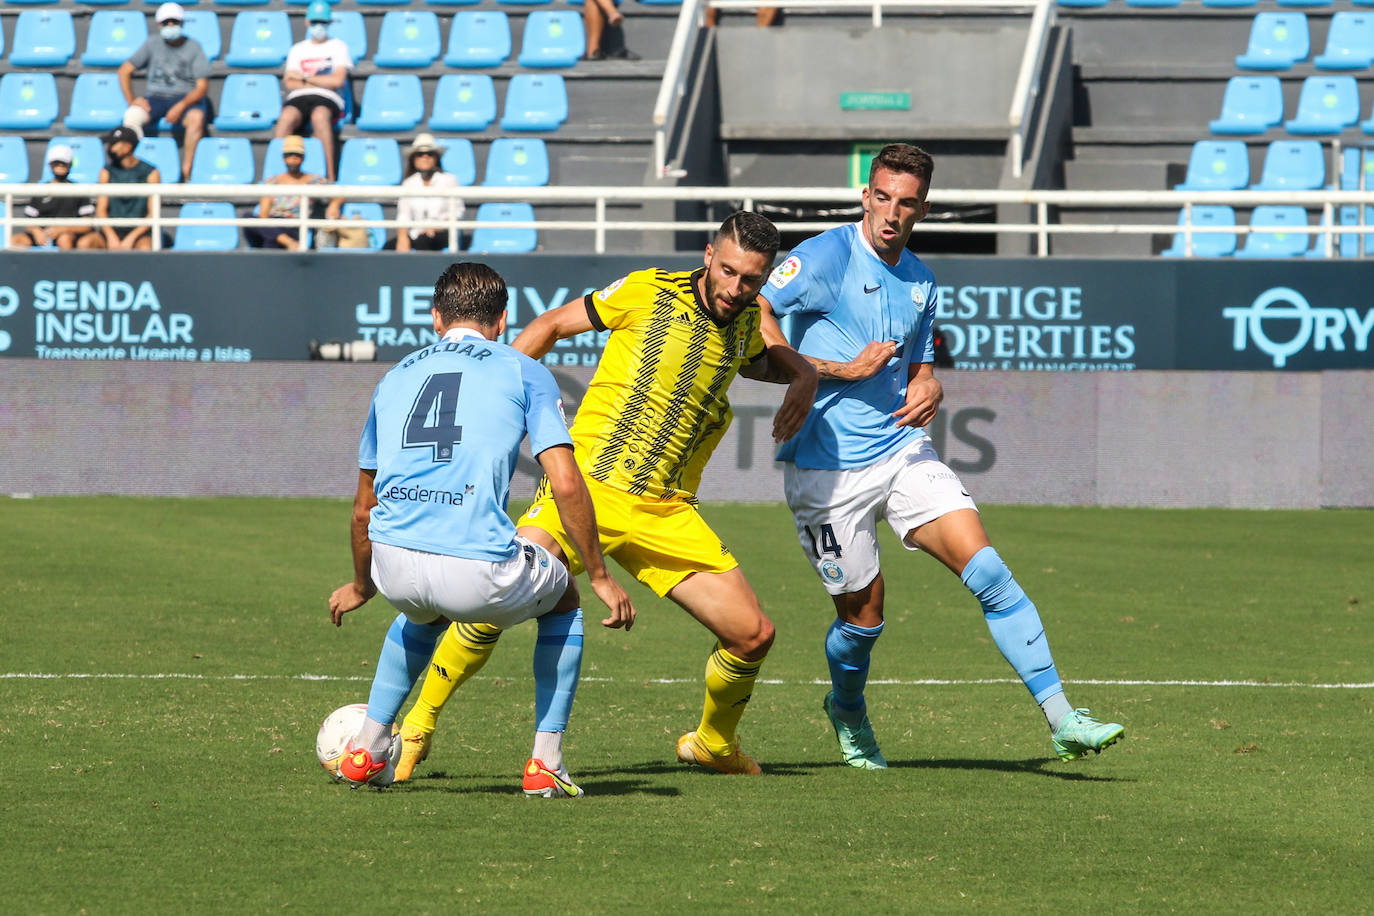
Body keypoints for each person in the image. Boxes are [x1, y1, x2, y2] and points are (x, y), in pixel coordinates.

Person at [392, 211, 818, 781]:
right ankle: (414, 731)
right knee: (492, 598)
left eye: (752, 281)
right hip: (586, 490)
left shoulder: (743, 321)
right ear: (710, 255)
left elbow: (765, 360)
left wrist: (806, 376)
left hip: (665, 508)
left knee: (752, 635)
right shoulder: (647, 291)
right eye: (730, 272)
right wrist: (494, 394)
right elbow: (549, 326)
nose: (736, 289)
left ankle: (713, 744)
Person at [757, 143, 1125, 769]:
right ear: (865, 196)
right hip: (826, 467)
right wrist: (816, 373)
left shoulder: (922, 281)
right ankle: (846, 708)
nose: (891, 213)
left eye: (906, 203)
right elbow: (756, 317)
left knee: (989, 573)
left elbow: (919, 368)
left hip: (901, 451)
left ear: (923, 208)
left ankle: (1063, 718)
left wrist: (931, 383)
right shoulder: (822, 256)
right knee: (862, 620)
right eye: (882, 198)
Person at [328, 262, 635, 794]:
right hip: (476, 572)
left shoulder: (394, 376)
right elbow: (565, 483)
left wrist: (361, 586)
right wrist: (602, 574)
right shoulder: (523, 370)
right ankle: (546, 764)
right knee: (565, 596)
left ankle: (366, 750)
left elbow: (362, 508)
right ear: (501, 319)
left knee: (420, 615)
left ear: (434, 318)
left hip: (393, 566)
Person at [117, 2, 210, 182]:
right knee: (132, 116)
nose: (170, 26)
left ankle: (186, 170)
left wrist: (181, 105)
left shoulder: (194, 47)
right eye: (166, 22)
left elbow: (202, 87)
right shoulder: (152, 43)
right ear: (159, 24)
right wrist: (132, 100)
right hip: (156, 98)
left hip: (185, 98)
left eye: (174, 22)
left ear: (181, 23)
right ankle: (129, 168)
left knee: (196, 118)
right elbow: (124, 71)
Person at [275, 0, 353, 183]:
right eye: (316, 22)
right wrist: (320, 81)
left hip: (328, 98)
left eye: (323, 22)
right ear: (307, 22)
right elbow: (289, 82)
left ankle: (328, 177)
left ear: (329, 23)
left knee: (319, 117)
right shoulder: (298, 49)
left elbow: (337, 81)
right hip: (299, 97)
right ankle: (275, 177)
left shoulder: (339, 47)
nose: (319, 26)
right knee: (286, 118)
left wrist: (305, 78)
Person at [243, 134, 342, 250]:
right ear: (283, 158)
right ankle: (287, 241)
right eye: (289, 155)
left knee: (271, 240)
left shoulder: (313, 180)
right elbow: (263, 214)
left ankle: (281, 242)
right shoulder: (272, 182)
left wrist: (334, 204)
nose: (293, 159)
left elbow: (339, 193)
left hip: (294, 226)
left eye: (297, 155)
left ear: (303, 158)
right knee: (248, 217)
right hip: (272, 223)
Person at [85, 126, 161, 251]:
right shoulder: (106, 172)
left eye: (114, 144)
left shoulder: (151, 172)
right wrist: (111, 236)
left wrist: (131, 238)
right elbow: (101, 210)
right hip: (111, 230)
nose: (110, 148)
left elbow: (152, 214)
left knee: (145, 248)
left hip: (139, 233)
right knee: (86, 243)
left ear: (128, 147)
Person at [9, 146, 98, 250]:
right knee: (16, 240)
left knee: (64, 239)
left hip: (69, 234)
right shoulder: (40, 191)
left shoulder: (79, 191)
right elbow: (29, 221)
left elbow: (87, 225)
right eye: (56, 163)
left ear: (70, 164)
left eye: (63, 163)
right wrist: (36, 231)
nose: (60, 166)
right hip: (43, 236)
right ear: (50, 165)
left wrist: (62, 229)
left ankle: (66, 266)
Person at [387, 134, 462, 253]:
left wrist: (436, 228)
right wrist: (402, 237)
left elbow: (457, 212)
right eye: (420, 154)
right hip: (416, 233)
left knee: (423, 240)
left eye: (430, 153)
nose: (425, 157)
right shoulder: (409, 183)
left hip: (443, 232)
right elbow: (404, 215)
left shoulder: (449, 180)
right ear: (414, 159)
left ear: (436, 158)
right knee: (389, 247)